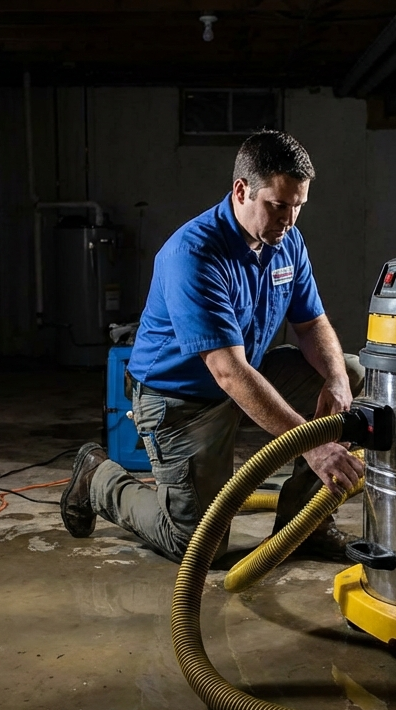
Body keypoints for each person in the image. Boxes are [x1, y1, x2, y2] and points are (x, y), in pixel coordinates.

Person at [59, 130, 365, 562]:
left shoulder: (287, 242)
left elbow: (312, 323)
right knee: (198, 547)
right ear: (241, 191)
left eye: (298, 207)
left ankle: (306, 525)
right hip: (181, 402)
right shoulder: (194, 253)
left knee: (350, 372)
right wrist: (314, 446)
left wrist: (335, 380)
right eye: (278, 206)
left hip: (243, 380)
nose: (289, 220)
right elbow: (227, 371)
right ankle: (99, 480)